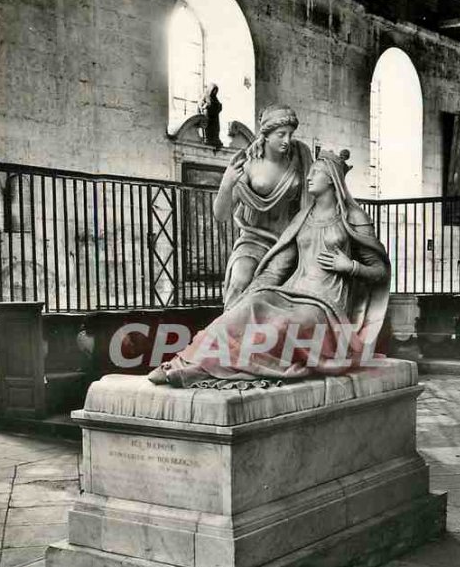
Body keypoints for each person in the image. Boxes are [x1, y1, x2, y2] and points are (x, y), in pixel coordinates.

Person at [148, 150, 390, 389]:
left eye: (316, 172)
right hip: (292, 291)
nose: (308, 177)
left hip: (325, 304)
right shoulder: (303, 217)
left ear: (332, 178)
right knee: (244, 309)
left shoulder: (353, 216)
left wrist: (350, 266)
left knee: (281, 326)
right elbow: (278, 265)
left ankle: (205, 369)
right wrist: (252, 291)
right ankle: (185, 363)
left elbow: (379, 270)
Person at [213, 105, 312, 309]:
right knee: (240, 280)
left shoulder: (300, 156)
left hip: (289, 240)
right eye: (281, 134)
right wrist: (226, 183)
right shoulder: (248, 165)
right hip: (254, 239)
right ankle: (226, 333)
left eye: (290, 134)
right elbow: (221, 215)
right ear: (266, 135)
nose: (287, 140)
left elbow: (314, 195)